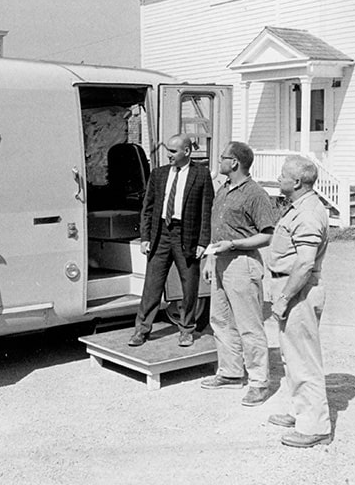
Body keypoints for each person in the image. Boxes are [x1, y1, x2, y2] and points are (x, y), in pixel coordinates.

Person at [200, 141, 277, 407]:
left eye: (222, 157)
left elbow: (267, 235)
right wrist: (212, 259)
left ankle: (258, 382)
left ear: (234, 162)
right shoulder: (223, 189)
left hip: (243, 264)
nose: (218, 162)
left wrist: (233, 245)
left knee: (249, 325)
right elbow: (216, 228)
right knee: (220, 320)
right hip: (221, 261)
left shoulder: (255, 194)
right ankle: (231, 372)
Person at [266, 155, 332, 448]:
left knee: (305, 360)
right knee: (291, 356)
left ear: (296, 182)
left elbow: (304, 264)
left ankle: (314, 427)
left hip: (299, 291)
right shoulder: (299, 206)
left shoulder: (307, 213)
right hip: (292, 287)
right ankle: (299, 411)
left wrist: (283, 298)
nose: (279, 179)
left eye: (282, 175)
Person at [128, 133, 214, 347]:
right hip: (161, 235)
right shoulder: (158, 174)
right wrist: (146, 237)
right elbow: (147, 209)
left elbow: (206, 212)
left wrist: (203, 242)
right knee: (152, 285)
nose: (169, 156)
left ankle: (186, 329)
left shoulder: (201, 175)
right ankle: (142, 330)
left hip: (187, 236)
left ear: (187, 151)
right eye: (168, 151)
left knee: (189, 285)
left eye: (173, 151)